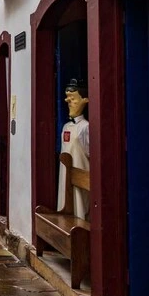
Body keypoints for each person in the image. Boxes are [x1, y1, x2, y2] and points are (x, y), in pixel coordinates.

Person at [57, 79, 89, 220]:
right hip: (65, 177)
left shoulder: (85, 127)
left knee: (80, 205)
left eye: (73, 99)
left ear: (84, 100)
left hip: (80, 173)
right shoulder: (66, 127)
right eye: (67, 98)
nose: (68, 102)